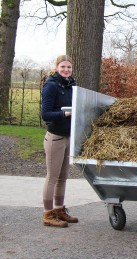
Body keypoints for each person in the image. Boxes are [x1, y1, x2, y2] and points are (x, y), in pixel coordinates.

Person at [41, 55, 78, 227]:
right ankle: (48, 214)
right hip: (55, 137)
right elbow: (45, 114)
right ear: (57, 67)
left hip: (67, 137)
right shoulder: (51, 86)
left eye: (69, 67)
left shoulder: (72, 86)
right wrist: (64, 114)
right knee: (52, 177)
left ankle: (59, 210)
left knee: (63, 177)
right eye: (63, 66)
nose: (66, 70)